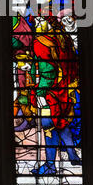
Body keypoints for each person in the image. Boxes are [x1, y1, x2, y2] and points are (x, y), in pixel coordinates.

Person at [28, 16, 81, 175]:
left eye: (39, 22)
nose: (36, 25)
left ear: (48, 24)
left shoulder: (42, 42)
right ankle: (73, 156)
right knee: (62, 123)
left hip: (49, 92)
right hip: (65, 90)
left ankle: (50, 166)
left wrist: (40, 92)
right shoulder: (63, 38)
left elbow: (48, 71)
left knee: (48, 126)